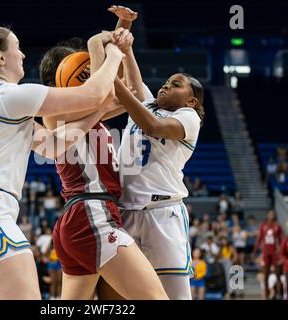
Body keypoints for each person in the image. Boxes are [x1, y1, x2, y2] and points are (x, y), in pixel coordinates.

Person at [0, 26, 124, 300]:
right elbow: (93, 93)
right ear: (0, 58)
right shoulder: (8, 95)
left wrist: (101, 111)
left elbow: (53, 145)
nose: (22, 54)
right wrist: (114, 51)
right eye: (16, 47)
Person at [38, 6, 167, 300]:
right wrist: (97, 42)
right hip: (91, 215)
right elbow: (104, 89)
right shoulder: (54, 113)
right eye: (82, 69)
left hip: (85, 218)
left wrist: (123, 28)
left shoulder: (90, 114)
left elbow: (127, 92)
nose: (89, 73)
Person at [114, 25, 204, 297]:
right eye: (165, 81)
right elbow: (129, 70)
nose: (165, 84)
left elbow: (152, 125)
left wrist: (113, 84)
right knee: (126, 296)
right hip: (125, 212)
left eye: (175, 84)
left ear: (190, 100)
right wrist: (124, 30)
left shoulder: (189, 117)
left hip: (162, 213)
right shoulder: (146, 106)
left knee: (175, 295)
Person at [253, 209, 283, 299]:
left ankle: (279, 294)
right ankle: (266, 294)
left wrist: (280, 251)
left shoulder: (277, 226)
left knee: (278, 274)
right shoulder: (263, 226)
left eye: (273, 214)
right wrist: (254, 251)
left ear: (275, 215)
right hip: (266, 252)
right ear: (267, 215)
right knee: (266, 274)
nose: (271, 215)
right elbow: (259, 239)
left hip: (274, 252)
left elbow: (281, 241)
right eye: (269, 214)